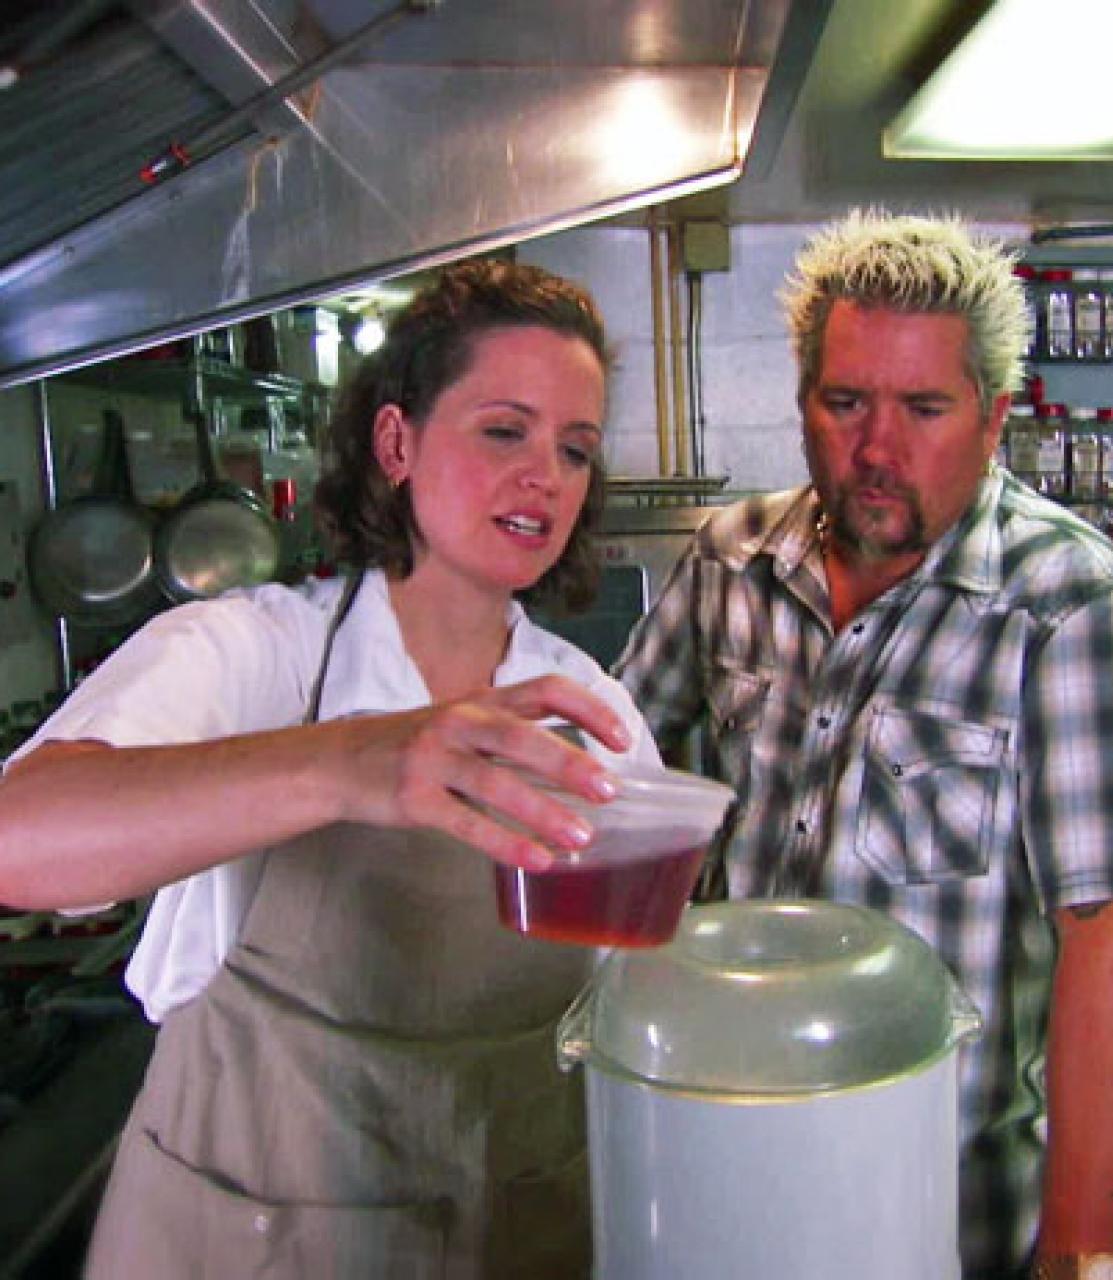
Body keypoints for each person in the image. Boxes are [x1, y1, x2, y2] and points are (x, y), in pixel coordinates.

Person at [0, 258, 661, 1279]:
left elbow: (625, 1008)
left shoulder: (589, 711)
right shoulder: (255, 653)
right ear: (396, 441)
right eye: (503, 430)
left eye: (574, 448)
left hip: (514, 1234)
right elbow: (20, 842)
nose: (546, 475)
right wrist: (353, 760)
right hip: (251, 1241)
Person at [614, 209, 1113, 1280]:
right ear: (803, 405)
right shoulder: (730, 561)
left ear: (992, 414)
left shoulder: (1067, 605)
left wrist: (1080, 1249)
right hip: (728, 1165)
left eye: (923, 407)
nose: (876, 449)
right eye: (845, 404)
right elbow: (617, 780)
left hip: (938, 1213)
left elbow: (1111, 941)